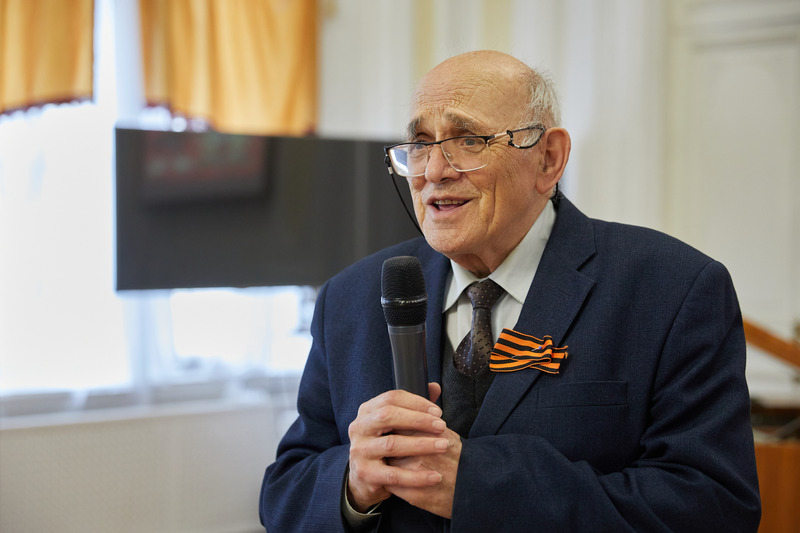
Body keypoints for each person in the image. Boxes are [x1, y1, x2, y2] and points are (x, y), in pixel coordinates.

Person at [260, 50, 761, 532]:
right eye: (421, 144)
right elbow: (284, 493)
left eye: (468, 140)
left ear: (549, 159)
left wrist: (478, 488)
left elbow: (714, 507)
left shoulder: (673, 289)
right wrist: (354, 485)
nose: (433, 171)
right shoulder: (349, 298)